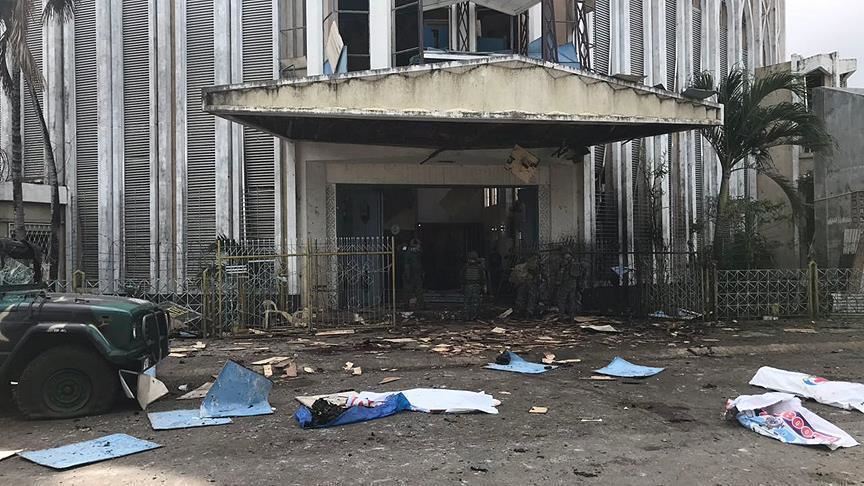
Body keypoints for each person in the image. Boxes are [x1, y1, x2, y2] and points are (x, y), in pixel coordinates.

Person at [556, 252, 585, 317]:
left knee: (561, 300)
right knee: (572, 301)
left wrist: (558, 282)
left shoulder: (564, 266)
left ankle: (561, 316)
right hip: (573, 284)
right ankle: (572, 317)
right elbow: (580, 275)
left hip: (565, 284)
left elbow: (560, 276)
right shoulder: (576, 265)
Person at [462, 251, 487, 320]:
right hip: (475, 286)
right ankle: (472, 316)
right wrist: (484, 287)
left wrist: (463, 286)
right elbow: (482, 278)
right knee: (474, 302)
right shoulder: (479, 268)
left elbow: (462, 277)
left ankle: (468, 316)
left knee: (468, 302)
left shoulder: (466, 267)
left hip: (470, 286)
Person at [402, 238, 424, 308]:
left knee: (419, 290)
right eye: (418, 245)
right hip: (410, 274)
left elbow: (419, 263)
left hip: (417, 274)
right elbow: (406, 265)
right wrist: (408, 275)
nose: (419, 246)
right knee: (408, 290)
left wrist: (421, 273)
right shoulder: (408, 253)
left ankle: (421, 305)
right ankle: (406, 304)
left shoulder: (418, 253)